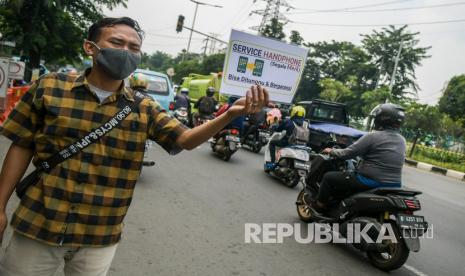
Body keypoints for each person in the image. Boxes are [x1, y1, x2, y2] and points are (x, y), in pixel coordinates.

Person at [0, 17, 269, 276]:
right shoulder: (49, 87)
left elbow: (186, 140)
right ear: (90, 47)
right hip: (38, 223)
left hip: (100, 233)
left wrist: (230, 114)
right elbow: (21, 146)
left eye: (134, 47)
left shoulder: (145, 107)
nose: (126, 51)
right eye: (117, 43)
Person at [308, 103, 407, 214]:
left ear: (381, 119)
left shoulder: (373, 136)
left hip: (370, 181)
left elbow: (347, 153)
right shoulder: (402, 140)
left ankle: (320, 206)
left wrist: (332, 151)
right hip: (394, 184)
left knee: (328, 177)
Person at [265, 105, 309, 170]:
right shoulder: (306, 124)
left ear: (293, 112)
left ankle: (272, 161)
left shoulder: (288, 121)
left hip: (289, 143)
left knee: (272, 143)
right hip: (302, 145)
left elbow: (278, 129)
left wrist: (274, 127)